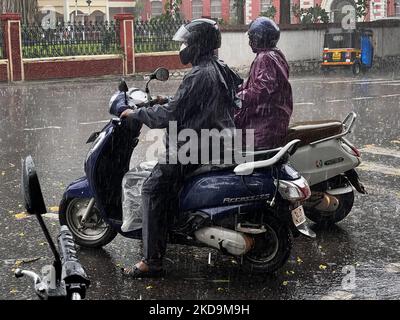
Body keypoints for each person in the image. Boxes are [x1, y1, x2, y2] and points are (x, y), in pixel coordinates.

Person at [120, 18, 242, 278]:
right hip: (218, 140)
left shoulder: (199, 74)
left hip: (196, 146)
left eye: (187, 42)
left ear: (198, 45)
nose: (183, 47)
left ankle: (152, 261)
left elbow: (169, 117)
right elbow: (196, 102)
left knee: (152, 187)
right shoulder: (218, 67)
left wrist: (136, 114)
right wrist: (168, 99)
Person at [235, 17, 293, 150]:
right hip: (272, 122)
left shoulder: (265, 58)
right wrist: (239, 88)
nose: (250, 42)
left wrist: (236, 98)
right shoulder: (275, 55)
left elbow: (261, 90)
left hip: (263, 127)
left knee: (230, 151)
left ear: (260, 38)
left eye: (252, 37)